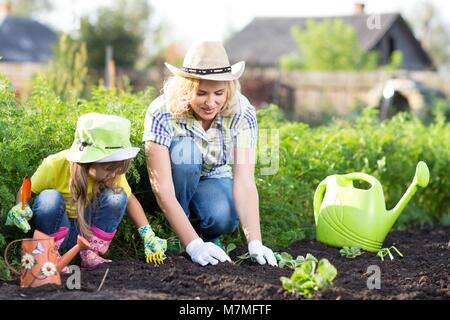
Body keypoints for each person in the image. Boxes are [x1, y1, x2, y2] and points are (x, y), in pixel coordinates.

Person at [143, 41, 277, 267]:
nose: (210, 102)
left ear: (229, 89)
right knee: (186, 155)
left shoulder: (242, 112)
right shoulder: (161, 112)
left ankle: (207, 236)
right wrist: (192, 246)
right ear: (186, 89)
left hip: (213, 176)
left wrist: (255, 242)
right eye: (201, 93)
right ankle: (181, 234)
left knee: (224, 215)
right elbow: (162, 187)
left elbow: (245, 182)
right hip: (176, 178)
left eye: (219, 93)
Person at [6, 113, 167, 268]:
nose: (113, 174)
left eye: (117, 169)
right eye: (108, 168)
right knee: (49, 197)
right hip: (55, 227)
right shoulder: (54, 164)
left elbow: (130, 201)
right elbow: (26, 190)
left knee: (117, 195)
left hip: (87, 235)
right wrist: (21, 206)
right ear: (88, 160)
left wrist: (148, 235)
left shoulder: (112, 173)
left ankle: (90, 254)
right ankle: (49, 255)